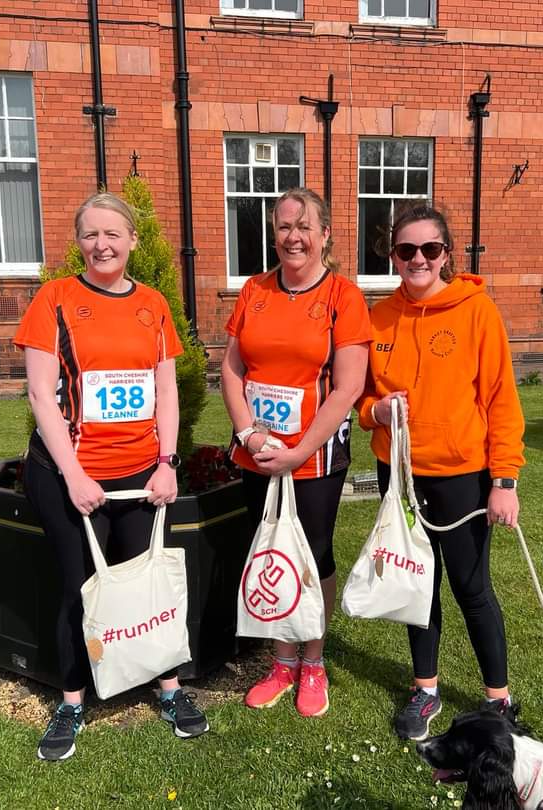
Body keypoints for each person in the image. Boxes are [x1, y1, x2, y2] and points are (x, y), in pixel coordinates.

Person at [15, 192, 208, 761]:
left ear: (132, 241)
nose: (101, 245)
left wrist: (168, 462)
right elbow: (40, 396)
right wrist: (73, 475)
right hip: (69, 475)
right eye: (90, 235)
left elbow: (166, 387)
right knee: (82, 589)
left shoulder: (152, 304)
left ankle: (169, 689)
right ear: (78, 242)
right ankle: (72, 701)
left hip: (141, 476)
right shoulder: (55, 299)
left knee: (149, 586)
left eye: (112, 234)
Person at [356, 204, 526, 741]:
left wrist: (505, 480)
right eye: (406, 251)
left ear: (446, 253)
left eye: (430, 249)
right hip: (399, 474)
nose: (418, 260)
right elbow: (361, 397)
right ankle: (425, 689)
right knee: (416, 587)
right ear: (393, 257)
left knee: (472, 587)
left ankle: (498, 699)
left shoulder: (478, 311)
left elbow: (500, 400)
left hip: (462, 475)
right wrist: (375, 413)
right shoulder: (378, 317)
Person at [222, 187, 371, 718]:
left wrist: (299, 451)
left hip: (316, 458)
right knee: (267, 551)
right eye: (284, 226)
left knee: (313, 555)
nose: (293, 237)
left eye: (304, 226)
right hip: (256, 453)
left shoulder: (343, 298)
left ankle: (314, 660)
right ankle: (282, 661)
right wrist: (249, 435)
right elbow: (233, 369)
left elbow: (348, 388)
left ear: (325, 234)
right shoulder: (254, 290)